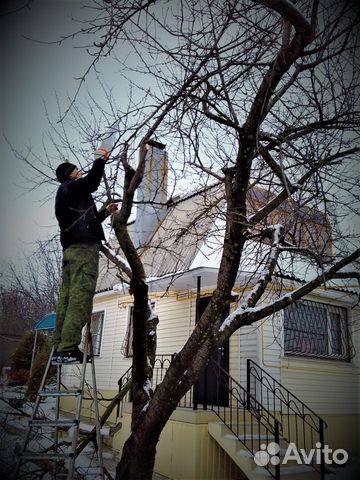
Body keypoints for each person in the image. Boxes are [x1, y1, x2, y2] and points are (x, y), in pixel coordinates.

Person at [53, 148, 117, 364]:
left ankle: (59, 346)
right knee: (81, 295)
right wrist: (100, 161)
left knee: (67, 297)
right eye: (76, 171)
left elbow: (88, 222)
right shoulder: (70, 187)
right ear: (70, 174)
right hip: (83, 250)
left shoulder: (67, 195)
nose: (80, 172)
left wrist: (105, 211)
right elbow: (92, 182)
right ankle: (68, 348)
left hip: (72, 249)